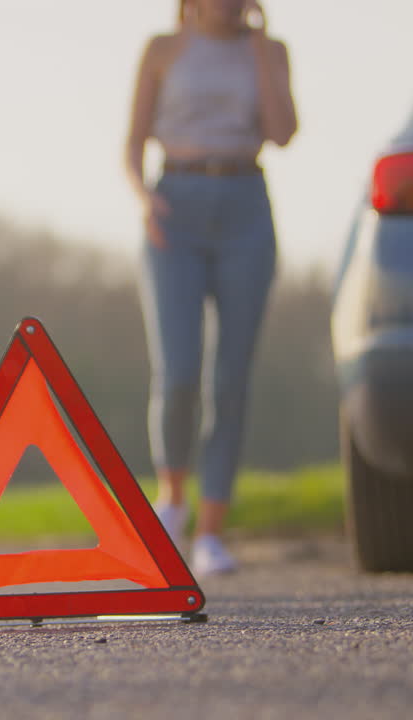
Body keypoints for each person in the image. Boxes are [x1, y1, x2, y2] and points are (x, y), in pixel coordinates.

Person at [124, 0, 297, 576]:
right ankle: (172, 500)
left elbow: (282, 133)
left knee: (230, 380)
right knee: (177, 372)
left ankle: (212, 534)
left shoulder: (269, 52)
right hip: (175, 203)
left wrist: (260, 50)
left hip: (246, 207)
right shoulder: (162, 49)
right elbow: (131, 144)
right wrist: (146, 199)